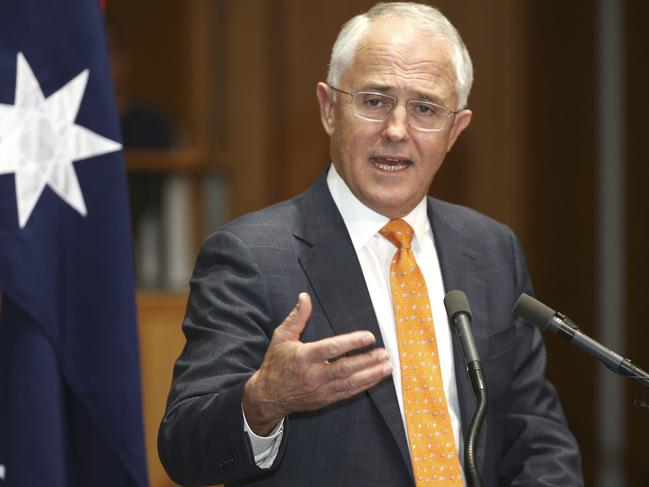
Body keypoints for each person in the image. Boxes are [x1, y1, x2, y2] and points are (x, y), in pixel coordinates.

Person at [158, 3, 583, 486]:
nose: (397, 130)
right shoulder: (250, 256)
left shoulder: (491, 250)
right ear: (328, 109)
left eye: (425, 108)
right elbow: (183, 444)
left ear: (455, 130)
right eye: (375, 100)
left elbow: (537, 437)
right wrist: (264, 400)